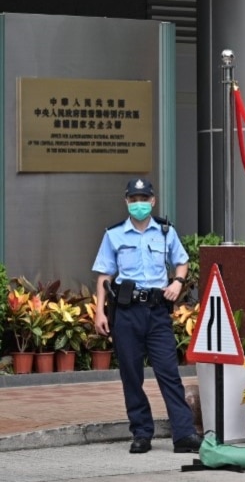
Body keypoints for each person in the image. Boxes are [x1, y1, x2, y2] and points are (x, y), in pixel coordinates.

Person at [91, 178, 201, 454]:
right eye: (133, 199)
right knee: (131, 374)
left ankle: (184, 434)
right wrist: (100, 313)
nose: (139, 204)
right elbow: (104, 275)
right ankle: (141, 433)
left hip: (156, 312)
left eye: (144, 199)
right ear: (126, 202)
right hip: (126, 314)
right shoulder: (113, 234)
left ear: (153, 201)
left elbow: (182, 260)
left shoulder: (165, 232)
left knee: (168, 372)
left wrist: (177, 281)